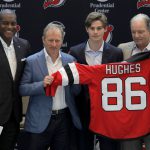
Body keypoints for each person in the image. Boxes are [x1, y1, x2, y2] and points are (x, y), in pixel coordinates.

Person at [19, 23, 82, 150]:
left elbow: (76, 91)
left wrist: (73, 81)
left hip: (64, 121)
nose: (54, 44)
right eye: (50, 40)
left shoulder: (71, 61)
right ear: (43, 40)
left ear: (62, 41)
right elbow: (22, 89)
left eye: (57, 41)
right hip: (39, 121)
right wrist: (41, 84)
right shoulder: (32, 61)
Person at [69, 11, 123, 150]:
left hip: (107, 112)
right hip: (83, 111)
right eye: (92, 28)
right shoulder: (75, 52)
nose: (95, 32)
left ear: (105, 29)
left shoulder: (116, 53)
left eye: (99, 28)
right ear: (86, 29)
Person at [118, 13, 150, 150]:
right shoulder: (122, 49)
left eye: (141, 31)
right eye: (133, 32)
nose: (137, 36)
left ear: (149, 30)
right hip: (130, 118)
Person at [0, 9, 31, 150]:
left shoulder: (24, 45)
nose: (9, 27)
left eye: (13, 23)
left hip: (13, 116)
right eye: (5, 23)